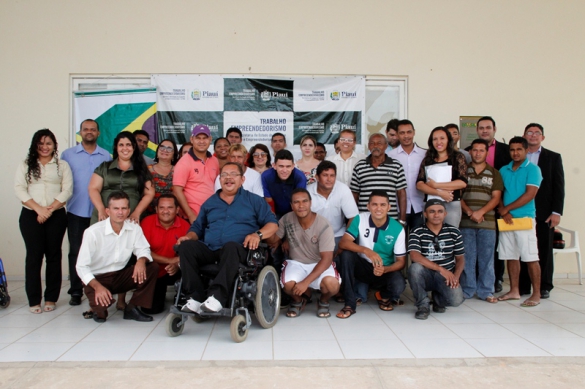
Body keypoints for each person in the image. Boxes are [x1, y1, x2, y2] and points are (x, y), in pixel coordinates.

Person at [177, 162, 278, 314]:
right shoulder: (210, 202)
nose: (228, 178)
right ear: (219, 179)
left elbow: (273, 224)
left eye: (233, 175)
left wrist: (257, 234)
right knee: (186, 247)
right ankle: (195, 298)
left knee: (231, 246)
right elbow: (197, 228)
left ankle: (217, 297)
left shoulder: (254, 200)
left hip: (239, 250)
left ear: (242, 180)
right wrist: (189, 236)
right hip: (211, 249)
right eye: (224, 175)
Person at [76, 191, 158, 323]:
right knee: (101, 315)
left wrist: (141, 260)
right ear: (108, 211)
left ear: (128, 210)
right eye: (116, 208)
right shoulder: (93, 232)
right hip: (98, 278)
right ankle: (97, 307)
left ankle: (132, 308)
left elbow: (143, 249)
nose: (120, 212)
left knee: (152, 267)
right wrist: (97, 287)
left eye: (124, 208)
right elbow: (81, 266)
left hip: (119, 276)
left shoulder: (134, 228)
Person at [15, 129, 73, 314]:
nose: (45, 147)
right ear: (35, 145)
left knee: (54, 256)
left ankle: (50, 298)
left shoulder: (62, 165)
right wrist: (39, 209)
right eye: (41, 143)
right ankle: (34, 299)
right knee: (34, 256)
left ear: (54, 145)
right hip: (31, 214)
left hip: (55, 215)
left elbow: (67, 190)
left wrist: (49, 210)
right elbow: (20, 189)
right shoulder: (26, 165)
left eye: (48, 143)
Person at [61, 119, 111, 306]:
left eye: (93, 130)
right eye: (85, 129)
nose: (89, 132)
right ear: (80, 132)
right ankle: (75, 290)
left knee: (99, 252)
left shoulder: (105, 156)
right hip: (76, 210)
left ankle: (97, 289)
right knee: (76, 251)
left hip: (100, 213)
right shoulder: (67, 155)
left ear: (98, 133)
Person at [268, 189, 340, 318]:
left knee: (333, 286)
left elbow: (327, 259)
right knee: (287, 285)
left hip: (320, 263)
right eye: (296, 202)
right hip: (297, 263)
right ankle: (298, 301)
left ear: (311, 203)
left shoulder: (323, 224)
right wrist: (268, 225)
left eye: (304, 201)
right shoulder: (287, 219)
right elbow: (273, 240)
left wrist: (305, 282)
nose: (301, 206)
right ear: (291, 205)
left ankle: (323, 300)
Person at [336, 191, 406, 318]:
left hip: (384, 270)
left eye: (383, 205)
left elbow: (401, 262)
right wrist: (366, 251)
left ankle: (382, 295)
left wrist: (385, 269)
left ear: (389, 207)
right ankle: (350, 304)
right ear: (368, 206)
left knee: (398, 285)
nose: (378, 208)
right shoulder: (360, 219)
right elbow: (343, 243)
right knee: (346, 255)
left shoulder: (397, 228)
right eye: (374, 204)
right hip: (363, 267)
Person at [519, 123, 565, 299]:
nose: (533, 135)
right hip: (522, 211)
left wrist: (556, 212)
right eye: (529, 132)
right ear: (524, 136)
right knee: (523, 248)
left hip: (544, 212)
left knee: (543, 250)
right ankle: (524, 285)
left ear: (542, 137)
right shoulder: (518, 157)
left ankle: (545, 286)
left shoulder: (553, 158)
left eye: (537, 133)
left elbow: (558, 187)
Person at [497, 137, 543, 307]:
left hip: (524, 219)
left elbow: (530, 194)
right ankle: (514, 290)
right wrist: (503, 211)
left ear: (526, 151)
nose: (515, 153)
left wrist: (506, 209)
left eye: (519, 149)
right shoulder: (504, 169)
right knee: (510, 255)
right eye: (512, 150)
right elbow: (498, 193)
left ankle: (536, 293)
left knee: (530, 257)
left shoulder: (533, 170)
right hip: (507, 220)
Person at [459, 139, 503, 303]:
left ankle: (486, 291)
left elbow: (496, 198)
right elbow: (458, 197)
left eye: (481, 150)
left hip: (487, 223)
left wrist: (481, 212)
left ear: (487, 152)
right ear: (470, 152)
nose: (477, 153)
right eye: (474, 150)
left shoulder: (494, 173)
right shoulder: (463, 172)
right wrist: (470, 213)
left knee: (487, 258)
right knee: (467, 258)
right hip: (466, 222)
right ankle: (468, 290)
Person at [408, 199, 465, 320]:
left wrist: (456, 276)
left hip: (446, 276)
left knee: (456, 300)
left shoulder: (454, 232)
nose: (436, 215)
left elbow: (460, 258)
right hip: (426, 274)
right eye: (432, 211)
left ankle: (438, 298)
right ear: (425, 214)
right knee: (415, 268)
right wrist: (440, 269)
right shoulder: (417, 231)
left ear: (445, 214)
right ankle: (423, 305)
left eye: (440, 211)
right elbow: (414, 255)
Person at [88, 132, 154, 225]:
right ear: (116, 147)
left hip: (130, 219)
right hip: (104, 217)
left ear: (134, 147)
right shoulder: (104, 167)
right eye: (121, 145)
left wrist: (137, 213)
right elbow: (93, 188)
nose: (125, 148)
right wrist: (101, 209)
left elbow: (150, 193)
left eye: (128, 145)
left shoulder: (142, 169)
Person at [141, 194, 190, 314]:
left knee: (190, 267)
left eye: (170, 208)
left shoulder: (185, 226)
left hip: (177, 271)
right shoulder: (147, 222)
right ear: (156, 209)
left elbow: (190, 254)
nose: (165, 211)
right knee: (151, 309)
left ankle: (183, 296)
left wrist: (177, 264)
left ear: (177, 209)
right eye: (162, 208)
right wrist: (170, 260)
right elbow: (144, 251)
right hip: (155, 271)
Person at [416, 126, 468, 227]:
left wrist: (435, 185)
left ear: (448, 140)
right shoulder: (427, 159)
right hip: (430, 205)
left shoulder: (458, 157)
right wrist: (439, 193)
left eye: (442, 138)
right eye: (435, 139)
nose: (438, 142)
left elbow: (462, 182)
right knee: (431, 237)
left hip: (451, 203)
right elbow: (419, 184)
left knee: (450, 235)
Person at [350, 133, 407, 222]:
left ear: (386, 146)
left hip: (390, 219)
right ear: (368, 146)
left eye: (379, 143)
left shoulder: (396, 165)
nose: (375, 146)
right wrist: (353, 218)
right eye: (372, 143)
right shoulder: (359, 166)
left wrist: (402, 219)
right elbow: (354, 194)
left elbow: (401, 193)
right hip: (365, 219)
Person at [172, 124, 219, 223]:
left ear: (210, 139)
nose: (201, 141)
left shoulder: (214, 160)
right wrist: (190, 214)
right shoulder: (184, 162)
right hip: (193, 218)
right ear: (192, 139)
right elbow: (177, 190)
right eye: (198, 138)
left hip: (212, 215)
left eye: (205, 138)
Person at [307, 161, 359, 250]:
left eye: (332, 175)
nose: (329, 179)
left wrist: (345, 240)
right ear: (317, 177)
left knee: (348, 254)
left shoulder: (343, 189)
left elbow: (353, 217)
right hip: (313, 236)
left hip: (338, 235)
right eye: (325, 175)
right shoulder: (308, 192)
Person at [389, 120, 426, 231]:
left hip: (420, 206)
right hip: (397, 208)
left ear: (414, 132)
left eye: (409, 132)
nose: (406, 136)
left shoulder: (424, 154)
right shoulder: (390, 156)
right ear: (397, 135)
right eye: (402, 133)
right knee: (398, 243)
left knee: (418, 242)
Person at [262, 149, 307, 219]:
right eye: (281, 166)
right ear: (274, 166)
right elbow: (268, 199)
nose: (284, 170)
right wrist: (272, 219)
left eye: (288, 166)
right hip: (274, 210)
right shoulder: (266, 176)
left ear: (293, 166)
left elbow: (299, 200)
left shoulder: (300, 177)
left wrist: (293, 219)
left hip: (294, 210)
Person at [146, 138, 179, 215]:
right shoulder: (147, 169)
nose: (165, 150)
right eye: (162, 147)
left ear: (174, 154)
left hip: (171, 213)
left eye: (169, 148)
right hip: (149, 213)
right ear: (157, 152)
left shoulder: (179, 170)